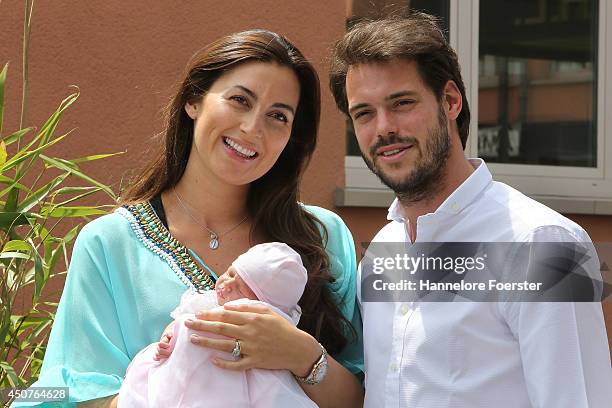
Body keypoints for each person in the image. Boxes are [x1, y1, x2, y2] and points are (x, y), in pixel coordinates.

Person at [13, 29, 363, 408]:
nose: (252, 128)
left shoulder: (322, 237)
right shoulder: (109, 244)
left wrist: (300, 354)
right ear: (194, 100)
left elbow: (364, 398)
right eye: (239, 100)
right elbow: (69, 394)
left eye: (278, 116)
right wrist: (173, 375)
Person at [328, 12, 612, 408]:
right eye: (364, 113)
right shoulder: (381, 253)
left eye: (402, 103)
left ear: (450, 101)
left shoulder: (544, 244)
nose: (383, 128)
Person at [118, 242, 318, 408]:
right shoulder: (206, 301)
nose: (226, 284)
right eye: (230, 273)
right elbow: (181, 321)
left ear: (261, 305)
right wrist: (168, 338)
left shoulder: (261, 322)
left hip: (237, 383)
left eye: (239, 288)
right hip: (186, 371)